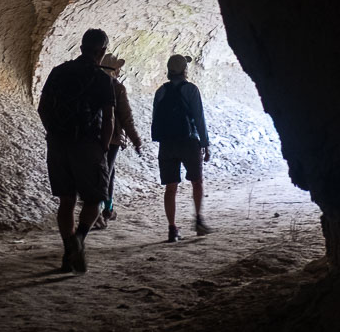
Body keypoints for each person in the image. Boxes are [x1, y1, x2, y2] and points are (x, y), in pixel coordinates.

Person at [36, 28, 116, 273]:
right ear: (101, 51)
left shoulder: (58, 72)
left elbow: (42, 108)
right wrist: (102, 146)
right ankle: (79, 239)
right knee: (94, 199)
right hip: (87, 144)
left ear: (81, 47)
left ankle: (67, 253)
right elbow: (109, 120)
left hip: (58, 143)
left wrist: (54, 133)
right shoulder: (103, 79)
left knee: (67, 200)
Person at [150, 53, 212, 242]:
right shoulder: (191, 90)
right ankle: (199, 220)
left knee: (171, 187)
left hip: (167, 144)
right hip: (188, 142)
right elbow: (199, 118)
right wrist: (205, 143)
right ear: (185, 70)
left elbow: (155, 120)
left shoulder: (161, 91)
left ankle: (172, 228)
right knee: (197, 181)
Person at [92, 53, 142, 229]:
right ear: (112, 69)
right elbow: (126, 116)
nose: (120, 71)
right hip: (111, 138)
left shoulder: (91, 83)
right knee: (104, 175)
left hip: (90, 137)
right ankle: (99, 212)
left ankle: (107, 208)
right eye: (118, 68)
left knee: (104, 173)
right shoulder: (117, 87)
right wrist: (136, 139)